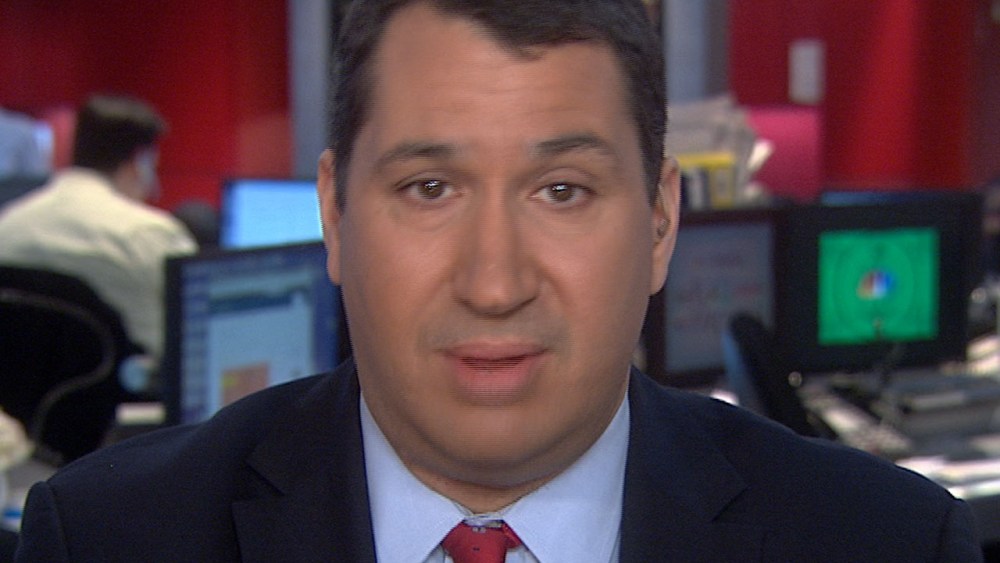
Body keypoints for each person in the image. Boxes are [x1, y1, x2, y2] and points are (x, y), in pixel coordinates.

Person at [14, 1, 983, 561]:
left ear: (660, 221)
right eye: (429, 188)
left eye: (562, 190)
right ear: (335, 216)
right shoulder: (107, 538)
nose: (493, 281)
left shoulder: (886, 543)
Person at [0, 94, 197, 362]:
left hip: (22, 388)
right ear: (141, 161)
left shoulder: (8, 225)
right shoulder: (152, 235)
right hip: (135, 387)